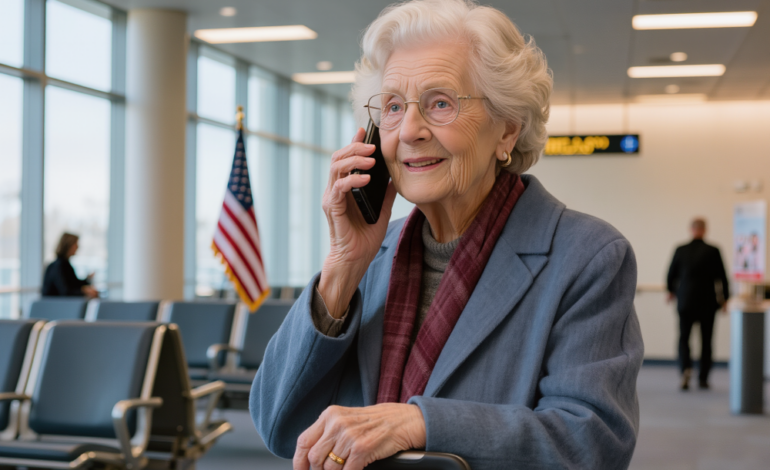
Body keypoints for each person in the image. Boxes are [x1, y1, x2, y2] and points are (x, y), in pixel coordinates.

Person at [250, 1, 643, 469]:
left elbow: (591, 443)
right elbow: (276, 423)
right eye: (394, 106)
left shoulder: (588, 256)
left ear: (507, 131)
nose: (411, 130)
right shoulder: (371, 254)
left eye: (440, 103)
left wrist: (420, 423)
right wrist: (341, 267)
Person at [667, 218, 729, 390]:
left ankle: (685, 369)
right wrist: (725, 299)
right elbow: (722, 277)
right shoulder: (713, 251)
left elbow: (671, 274)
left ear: (691, 229)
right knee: (706, 340)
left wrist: (671, 291)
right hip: (708, 303)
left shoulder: (681, 249)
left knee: (684, 338)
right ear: (705, 230)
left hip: (685, 301)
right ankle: (703, 377)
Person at [42, 232, 98, 298]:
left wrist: (87, 280)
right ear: (68, 245)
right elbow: (66, 291)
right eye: (76, 244)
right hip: (56, 305)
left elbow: (74, 283)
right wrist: (84, 290)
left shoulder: (65, 265)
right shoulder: (59, 266)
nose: (77, 247)